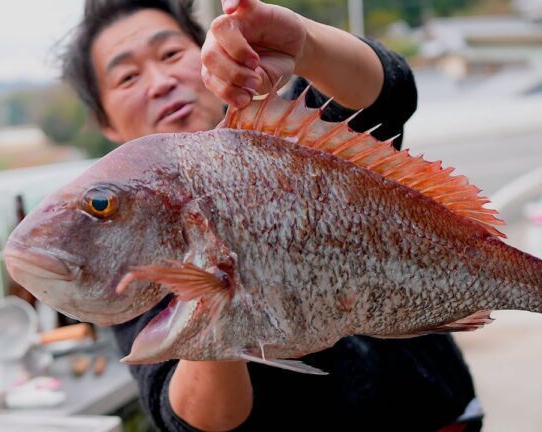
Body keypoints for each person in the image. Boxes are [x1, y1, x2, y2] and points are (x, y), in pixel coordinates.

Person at [60, 0, 482, 430]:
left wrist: (307, 44)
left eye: (170, 53)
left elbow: (386, 96)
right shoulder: (124, 256)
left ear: (207, 56)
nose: (160, 82)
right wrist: (212, 292)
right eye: (128, 77)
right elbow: (185, 418)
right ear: (105, 122)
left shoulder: (289, 142)